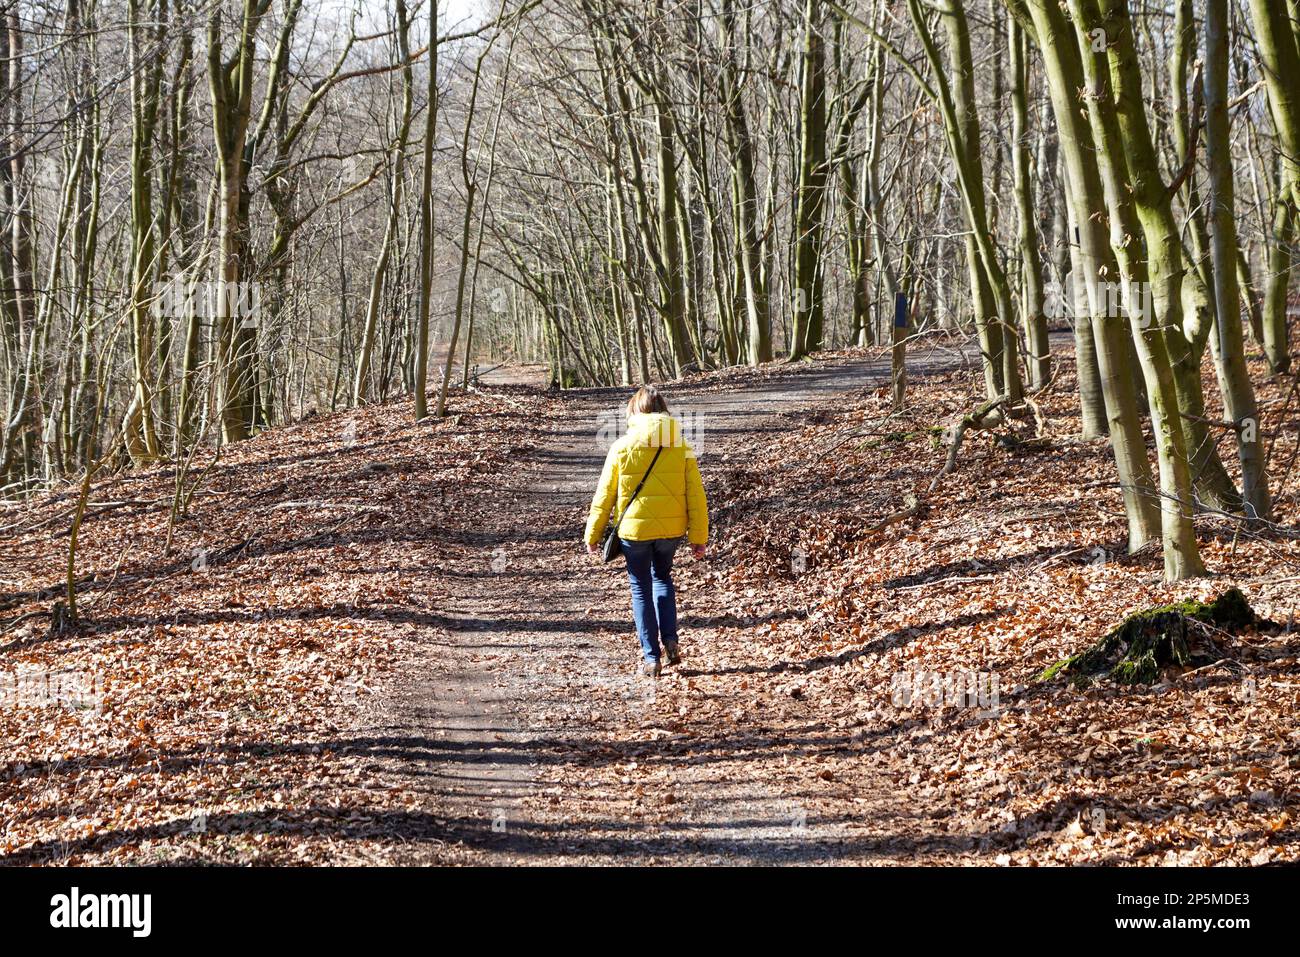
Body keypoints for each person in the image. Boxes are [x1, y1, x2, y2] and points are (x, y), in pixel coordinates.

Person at [584, 385, 708, 677]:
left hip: (633, 532)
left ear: (634, 411)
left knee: (640, 588)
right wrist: (698, 537)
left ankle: (652, 659)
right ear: (663, 410)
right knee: (662, 578)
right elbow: (696, 495)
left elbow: (604, 495)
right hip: (670, 531)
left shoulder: (621, 447)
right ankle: (671, 640)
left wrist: (593, 534)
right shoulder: (681, 447)